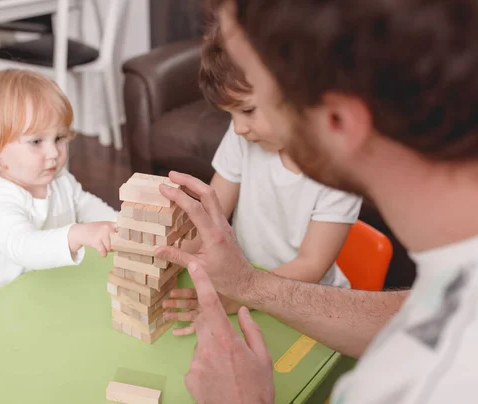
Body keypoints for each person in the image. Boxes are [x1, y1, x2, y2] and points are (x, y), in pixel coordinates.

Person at [154, 0, 478, 402]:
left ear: (337, 119)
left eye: (257, 92)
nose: (241, 129)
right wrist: (246, 284)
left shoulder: (398, 387)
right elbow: (418, 310)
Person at [164, 22, 362, 335]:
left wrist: (238, 297)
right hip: (245, 279)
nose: (239, 127)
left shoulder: (339, 171)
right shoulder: (243, 136)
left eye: (248, 110)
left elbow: (311, 265)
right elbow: (213, 216)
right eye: (231, 114)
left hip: (303, 299)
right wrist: (168, 258)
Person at [0, 69, 117, 292]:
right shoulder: (0, 200)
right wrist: (77, 234)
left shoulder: (58, 179)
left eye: (59, 138)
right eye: (36, 142)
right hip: (16, 305)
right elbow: (25, 247)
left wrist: (117, 225)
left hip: (62, 287)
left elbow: (84, 204)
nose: (53, 152)